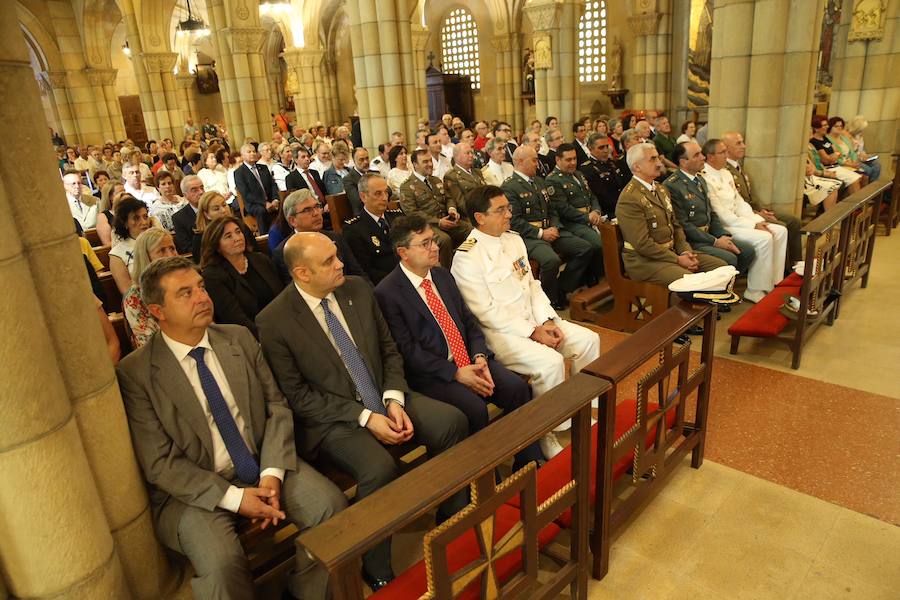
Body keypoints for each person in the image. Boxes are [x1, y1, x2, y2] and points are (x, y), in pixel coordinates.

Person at [116, 256, 346, 600]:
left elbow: (276, 407)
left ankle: (305, 592)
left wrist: (271, 473)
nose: (202, 297)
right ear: (157, 311)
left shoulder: (237, 338)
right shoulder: (137, 373)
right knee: (223, 566)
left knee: (330, 508)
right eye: (185, 293)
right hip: (192, 490)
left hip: (260, 461)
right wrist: (236, 499)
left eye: (201, 287)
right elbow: (160, 463)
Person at [256, 232, 469, 590]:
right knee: (378, 467)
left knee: (452, 422)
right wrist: (366, 417)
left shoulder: (356, 289)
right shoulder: (274, 320)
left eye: (337, 255)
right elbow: (298, 396)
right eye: (328, 261)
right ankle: (375, 562)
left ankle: (452, 519)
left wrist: (393, 400)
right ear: (302, 273)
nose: (340, 263)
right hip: (333, 418)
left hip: (384, 395)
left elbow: (389, 350)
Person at [375, 215, 550, 462]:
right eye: (425, 244)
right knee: (474, 409)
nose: (435, 247)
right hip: (434, 374)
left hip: (469, 360)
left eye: (433, 240)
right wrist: (455, 373)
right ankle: (484, 478)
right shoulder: (387, 293)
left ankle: (529, 462)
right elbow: (408, 351)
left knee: (517, 389)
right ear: (403, 252)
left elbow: (469, 321)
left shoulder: (442, 276)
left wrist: (479, 356)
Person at [451, 186, 600, 446]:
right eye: (501, 210)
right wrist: (532, 331)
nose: (509, 214)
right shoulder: (467, 256)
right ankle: (546, 433)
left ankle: (579, 410)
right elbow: (485, 311)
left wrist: (547, 320)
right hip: (500, 334)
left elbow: (532, 285)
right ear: (480, 217)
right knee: (550, 363)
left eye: (508, 208)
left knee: (589, 341)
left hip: (535, 319)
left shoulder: (514, 239)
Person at [615, 143, 727, 288]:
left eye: (658, 158)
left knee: (722, 267)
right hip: (645, 262)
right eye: (653, 159)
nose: (659, 163)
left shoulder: (661, 189)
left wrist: (685, 251)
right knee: (693, 281)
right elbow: (643, 244)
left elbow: (676, 227)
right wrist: (678, 259)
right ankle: (694, 308)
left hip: (671, 253)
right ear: (637, 167)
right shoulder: (630, 198)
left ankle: (711, 307)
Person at [503, 145, 593, 309]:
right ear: (519, 162)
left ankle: (562, 288)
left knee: (584, 248)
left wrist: (555, 226)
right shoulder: (510, 187)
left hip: (550, 230)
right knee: (551, 260)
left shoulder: (538, 181)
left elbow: (551, 208)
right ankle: (547, 300)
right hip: (529, 236)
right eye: (534, 160)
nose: (538, 164)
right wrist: (540, 233)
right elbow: (514, 221)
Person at [702, 139, 787, 302]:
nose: (726, 156)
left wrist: (757, 220)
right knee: (764, 238)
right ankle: (755, 290)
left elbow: (740, 202)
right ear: (710, 157)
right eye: (722, 153)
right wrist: (752, 225)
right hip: (725, 226)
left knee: (780, 231)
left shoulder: (726, 173)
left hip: (741, 220)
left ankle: (774, 282)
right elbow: (719, 213)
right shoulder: (705, 177)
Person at [663, 142, 755, 285]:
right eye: (697, 155)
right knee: (730, 258)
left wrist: (722, 235)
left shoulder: (700, 179)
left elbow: (711, 213)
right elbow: (683, 225)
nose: (703, 157)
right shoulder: (673, 185)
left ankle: (726, 286)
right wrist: (715, 242)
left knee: (748, 250)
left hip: (709, 234)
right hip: (692, 240)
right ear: (683, 162)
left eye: (701, 153)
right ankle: (718, 290)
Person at [721, 131, 804, 268]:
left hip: (753, 210)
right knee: (782, 226)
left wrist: (762, 210)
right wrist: (757, 214)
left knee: (794, 221)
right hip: (743, 216)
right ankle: (785, 270)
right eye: (738, 143)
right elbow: (735, 201)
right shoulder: (725, 170)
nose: (744, 146)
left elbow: (749, 196)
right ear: (727, 148)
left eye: (743, 142)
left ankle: (796, 264)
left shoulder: (737, 166)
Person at [200, 216, 282, 338]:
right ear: (217, 246)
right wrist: (270, 337)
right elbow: (235, 318)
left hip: (281, 325)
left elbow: (282, 295)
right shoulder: (212, 276)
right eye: (228, 236)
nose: (237, 238)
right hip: (249, 337)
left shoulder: (260, 259)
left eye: (238, 232)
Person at [271, 189, 370, 285]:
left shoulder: (335, 238)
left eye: (317, 206)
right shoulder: (283, 252)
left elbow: (358, 273)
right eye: (307, 210)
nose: (316, 213)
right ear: (292, 220)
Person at [398, 149, 472, 268]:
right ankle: (446, 272)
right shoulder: (407, 187)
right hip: (427, 225)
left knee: (470, 230)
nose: (430, 164)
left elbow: (448, 198)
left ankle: (466, 265)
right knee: (444, 240)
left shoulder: (435, 180)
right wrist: (438, 222)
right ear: (415, 165)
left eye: (430, 161)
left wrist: (452, 209)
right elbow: (412, 213)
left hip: (447, 219)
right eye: (425, 162)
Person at [545, 143, 604, 283]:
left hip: (591, 217)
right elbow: (563, 209)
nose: (573, 163)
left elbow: (592, 196)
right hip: (572, 223)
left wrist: (596, 211)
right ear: (558, 160)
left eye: (574, 159)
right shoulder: (553, 179)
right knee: (598, 243)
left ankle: (595, 276)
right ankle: (600, 278)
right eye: (568, 160)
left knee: (615, 236)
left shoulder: (578, 174)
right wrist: (587, 217)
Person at [123, 228, 178, 348]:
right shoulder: (135, 297)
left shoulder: (185, 282)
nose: (170, 255)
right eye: (162, 251)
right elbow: (150, 343)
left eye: (172, 248)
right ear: (145, 257)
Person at [342, 174, 402, 285]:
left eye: (386, 192)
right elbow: (365, 269)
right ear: (363, 197)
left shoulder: (397, 218)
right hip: (385, 284)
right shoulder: (354, 229)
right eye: (378, 194)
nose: (385, 198)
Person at [191, 191, 257, 260]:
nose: (223, 210)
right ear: (207, 215)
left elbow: (255, 250)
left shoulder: (240, 226)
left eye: (224, 205)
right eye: (216, 209)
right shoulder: (200, 238)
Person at [578, 132, 629, 216]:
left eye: (607, 146)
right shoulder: (587, 169)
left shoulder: (614, 163)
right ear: (590, 149)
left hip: (623, 206)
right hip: (607, 212)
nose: (605, 150)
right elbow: (600, 197)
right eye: (601, 148)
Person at [110, 195, 152, 294]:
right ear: (125, 223)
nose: (144, 222)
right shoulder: (117, 255)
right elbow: (128, 292)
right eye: (136, 218)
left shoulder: (159, 241)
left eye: (145, 216)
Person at [234, 143, 279, 234]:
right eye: (249, 152)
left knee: (283, 205)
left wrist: (275, 199)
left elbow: (273, 185)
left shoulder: (263, 167)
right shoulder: (239, 172)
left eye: (254, 151)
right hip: (253, 204)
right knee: (261, 210)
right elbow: (246, 194)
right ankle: (264, 236)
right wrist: (264, 203)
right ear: (242, 156)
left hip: (270, 200)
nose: (252, 154)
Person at [809, 115, 861, 194]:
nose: (827, 127)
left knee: (858, 177)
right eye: (824, 125)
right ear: (816, 128)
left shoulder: (825, 138)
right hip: (829, 168)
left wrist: (833, 156)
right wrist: (833, 156)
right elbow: (826, 160)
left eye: (827, 125)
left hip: (836, 166)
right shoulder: (814, 141)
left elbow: (838, 152)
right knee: (854, 179)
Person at [828, 115, 880, 181]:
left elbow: (852, 152)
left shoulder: (843, 138)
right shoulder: (831, 139)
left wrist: (856, 160)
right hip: (842, 163)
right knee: (867, 171)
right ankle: (867, 189)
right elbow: (837, 157)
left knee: (877, 165)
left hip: (853, 160)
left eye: (841, 126)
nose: (839, 128)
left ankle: (873, 188)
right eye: (836, 126)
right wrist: (851, 163)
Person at [443, 142, 486, 218]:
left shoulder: (477, 172)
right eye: (467, 153)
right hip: (470, 216)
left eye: (472, 153)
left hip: (485, 210)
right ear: (456, 156)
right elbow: (461, 203)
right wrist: (482, 213)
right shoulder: (451, 176)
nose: (471, 156)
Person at [172, 175, 206, 254]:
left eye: (202, 188)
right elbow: (186, 247)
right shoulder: (179, 218)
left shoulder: (214, 208)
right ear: (185, 195)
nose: (201, 192)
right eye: (195, 190)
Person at [342, 147, 370, 215]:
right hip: (363, 215)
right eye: (361, 159)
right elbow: (358, 201)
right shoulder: (349, 179)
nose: (366, 162)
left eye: (367, 158)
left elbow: (389, 190)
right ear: (354, 161)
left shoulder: (373, 174)